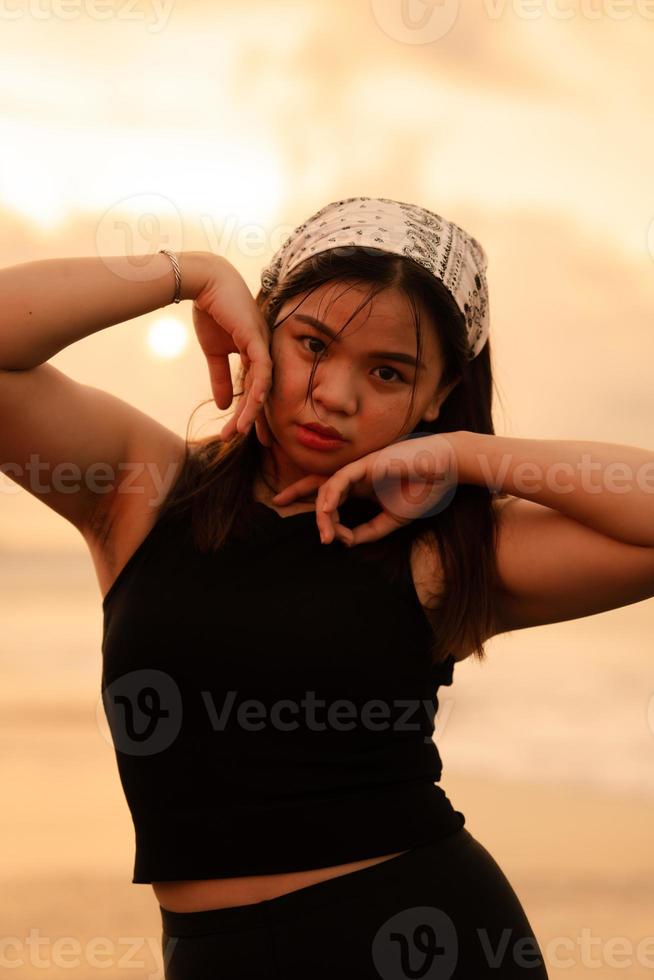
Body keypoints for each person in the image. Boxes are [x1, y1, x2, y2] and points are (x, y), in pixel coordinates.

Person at [3, 196, 653, 979]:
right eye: (313, 344)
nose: (336, 395)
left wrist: (471, 457)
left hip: (425, 941)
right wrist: (190, 274)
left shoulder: (447, 549)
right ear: (263, 327)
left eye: (389, 373)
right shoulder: (142, 488)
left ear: (437, 396)